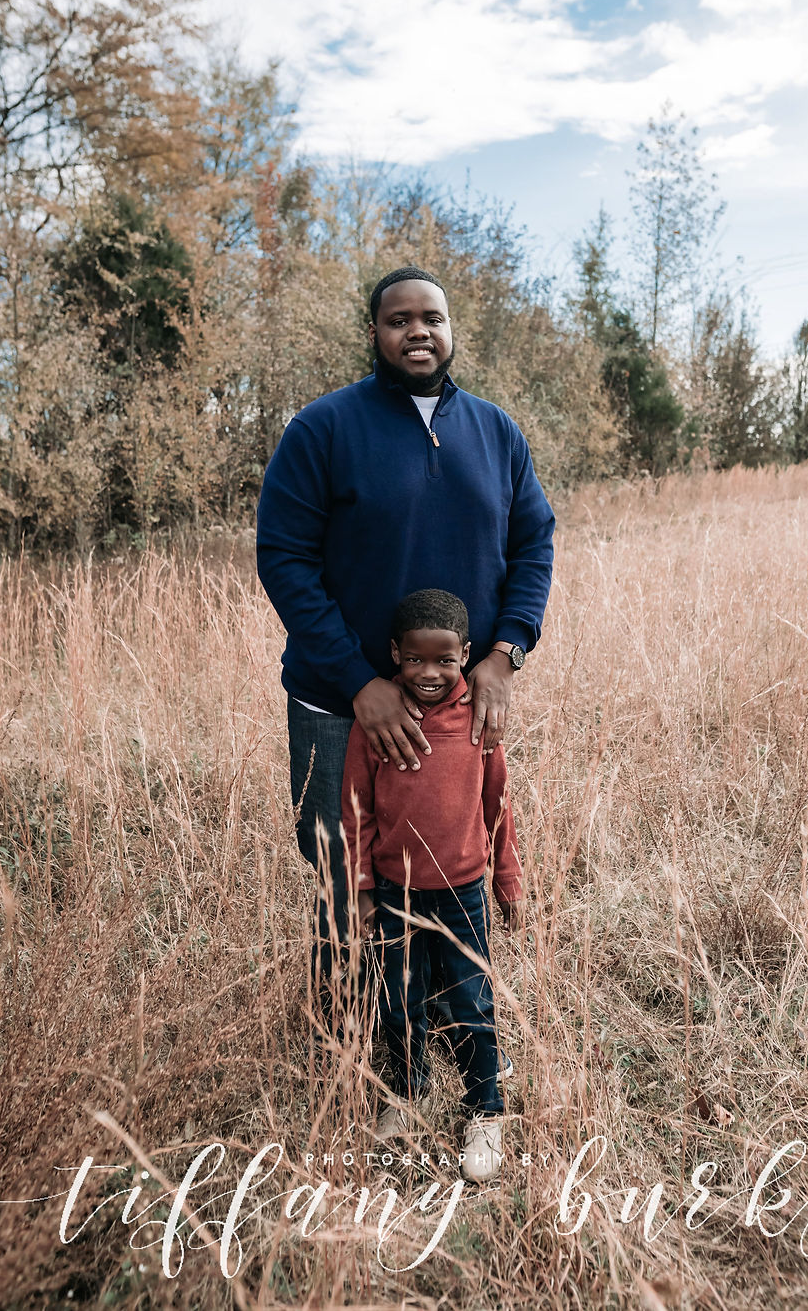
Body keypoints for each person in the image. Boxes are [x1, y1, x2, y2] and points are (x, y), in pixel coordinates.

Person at [256, 265, 554, 995]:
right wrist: (361, 682)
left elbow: (534, 542)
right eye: (399, 320)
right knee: (346, 873)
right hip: (339, 703)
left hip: (457, 703)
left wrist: (505, 654)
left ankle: (447, 1027)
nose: (418, 331)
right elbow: (284, 558)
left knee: (450, 865)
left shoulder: (495, 431)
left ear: (450, 331)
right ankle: (352, 1037)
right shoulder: (322, 429)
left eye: (432, 318)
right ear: (373, 333)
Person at [342, 589, 521, 1183]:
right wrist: (361, 887)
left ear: (465, 655)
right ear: (395, 653)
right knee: (399, 998)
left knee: (472, 999)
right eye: (415, 658)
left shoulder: (478, 719)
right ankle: (407, 1094)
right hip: (396, 891)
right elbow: (356, 811)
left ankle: (486, 1109)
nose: (429, 673)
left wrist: (508, 879)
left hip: (464, 890)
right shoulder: (377, 724)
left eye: (445, 660)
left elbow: (498, 804)